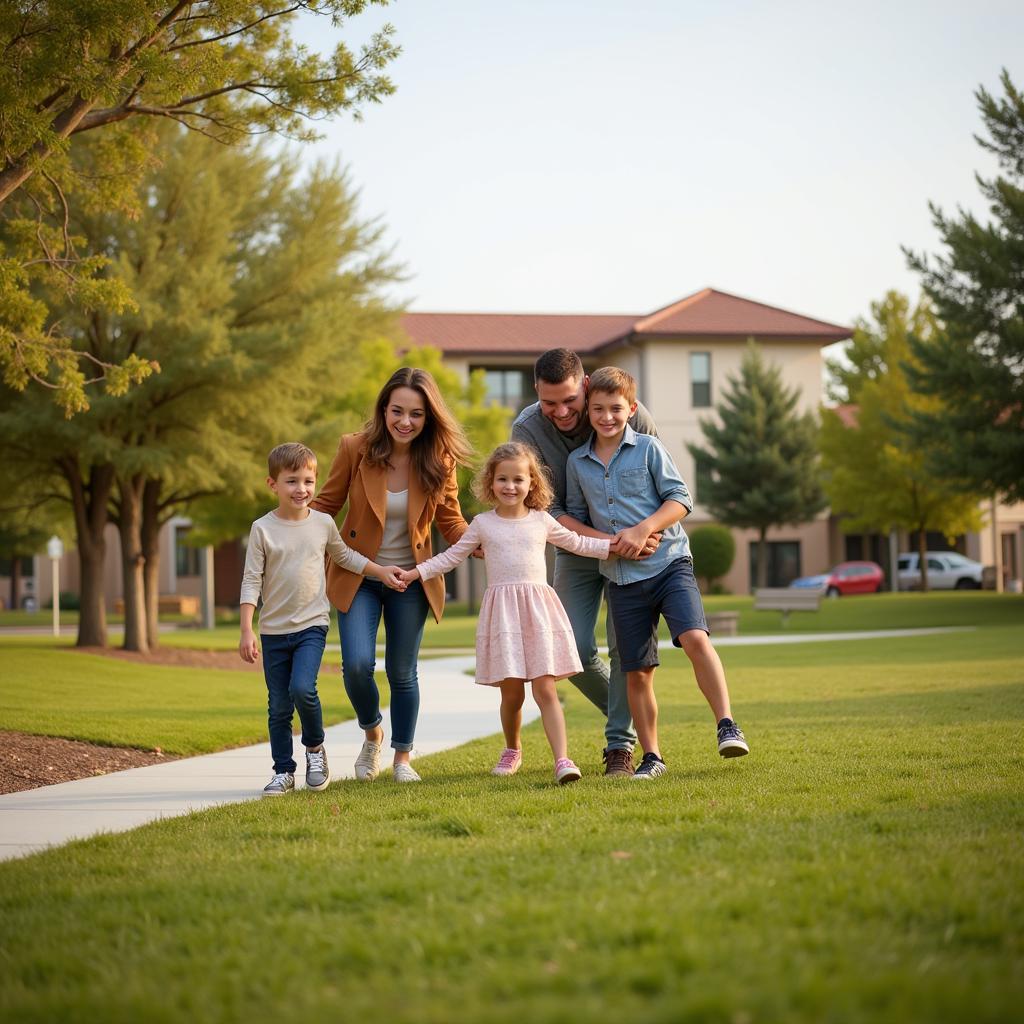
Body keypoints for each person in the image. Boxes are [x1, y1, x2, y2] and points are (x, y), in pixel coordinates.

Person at [565, 367, 749, 779]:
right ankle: (652, 757)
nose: (607, 416)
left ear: (631, 409)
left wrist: (644, 528)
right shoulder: (577, 463)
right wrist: (611, 543)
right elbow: (572, 517)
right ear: (588, 411)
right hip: (621, 578)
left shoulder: (648, 448)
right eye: (598, 409)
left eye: (616, 408)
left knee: (695, 638)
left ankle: (726, 724)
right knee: (637, 671)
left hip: (669, 564)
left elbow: (680, 499)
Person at [398, 442, 610, 784]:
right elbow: (451, 557)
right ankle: (513, 749)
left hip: (539, 612)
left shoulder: (542, 521)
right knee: (512, 694)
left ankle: (563, 760)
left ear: (532, 484)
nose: (510, 486)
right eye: (502, 479)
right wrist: (415, 573)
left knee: (546, 689)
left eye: (518, 479)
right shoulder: (482, 524)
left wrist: (616, 545)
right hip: (504, 616)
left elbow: (578, 543)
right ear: (491, 483)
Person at [310, 368, 472, 783]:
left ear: (428, 417)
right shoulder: (354, 449)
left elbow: (451, 522)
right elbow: (325, 505)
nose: (405, 421)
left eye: (416, 414)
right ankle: (372, 732)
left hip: (412, 579)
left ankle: (402, 758)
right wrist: (285, 529)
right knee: (357, 665)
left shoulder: (440, 460)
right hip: (359, 573)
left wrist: (489, 541)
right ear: (384, 410)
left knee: (403, 671)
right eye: (397, 411)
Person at [511, 348, 659, 777]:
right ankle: (633, 707)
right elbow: (546, 507)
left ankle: (620, 745)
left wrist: (646, 535)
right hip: (576, 547)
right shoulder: (527, 429)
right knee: (569, 649)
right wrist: (605, 543)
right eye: (548, 402)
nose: (559, 411)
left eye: (569, 401)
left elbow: (661, 480)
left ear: (587, 384)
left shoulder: (631, 412)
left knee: (624, 650)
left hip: (633, 550)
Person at [239, 442, 407, 797]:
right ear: (273, 484)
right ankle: (283, 771)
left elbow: (345, 556)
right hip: (272, 631)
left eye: (308, 481)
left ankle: (315, 750)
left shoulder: (323, 523)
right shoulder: (262, 529)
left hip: (311, 626)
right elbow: (252, 579)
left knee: (303, 690)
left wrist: (379, 570)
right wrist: (246, 631)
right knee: (279, 705)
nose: (301, 489)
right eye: (291, 481)